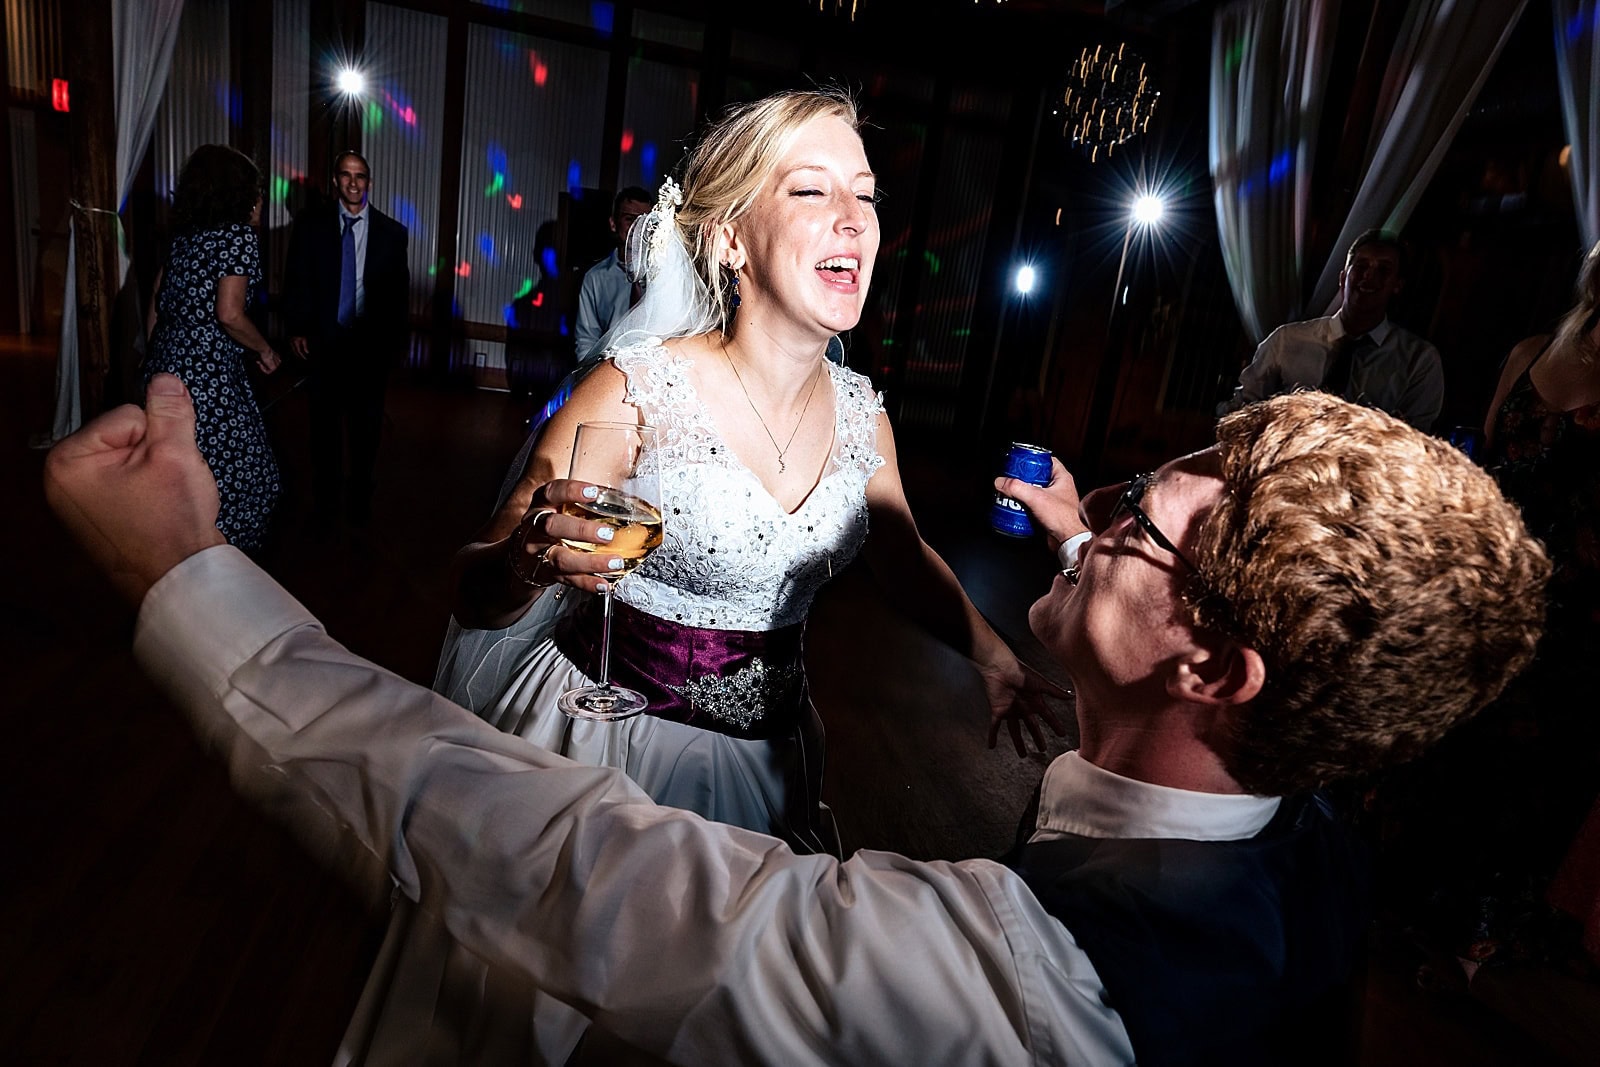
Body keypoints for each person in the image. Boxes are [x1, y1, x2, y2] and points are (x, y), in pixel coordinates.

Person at [45, 376, 1549, 1064]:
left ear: (1218, 674)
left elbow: (579, 870)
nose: (1089, 525)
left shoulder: (1055, 986)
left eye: (1133, 531)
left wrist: (190, 581)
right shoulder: (1310, 818)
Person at [343, 88, 1063, 1063]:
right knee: (550, 1015)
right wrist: (528, 558)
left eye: (867, 191)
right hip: (608, 748)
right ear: (728, 238)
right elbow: (475, 582)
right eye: (812, 189)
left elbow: (900, 555)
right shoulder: (634, 388)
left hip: (769, 767)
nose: (856, 216)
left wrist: (988, 651)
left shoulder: (863, 415)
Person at [1375, 242, 1600, 978]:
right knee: (1443, 742)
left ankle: (1469, 929)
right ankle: (1393, 905)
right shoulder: (1532, 351)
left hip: (1573, 619)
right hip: (1489, 584)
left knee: (1516, 774)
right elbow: (1486, 461)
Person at [144, 144, 283, 551]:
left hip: (165, 368)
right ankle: (219, 565)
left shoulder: (185, 239)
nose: (261, 201)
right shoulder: (237, 238)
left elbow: (157, 303)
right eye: (257, 191)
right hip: (208, 378)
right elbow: (229, 313)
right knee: (253, 480)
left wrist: (152, 364)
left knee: (182, 473)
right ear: (240, 194)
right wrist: (265, 351)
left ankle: (183, 555)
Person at [283, 150, 410, 528]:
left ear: (368, 182)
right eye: (346, 175)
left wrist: (394, 349)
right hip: (325, 344)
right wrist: (298, 327)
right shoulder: (311, 226)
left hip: (368, 350)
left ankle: (359, 504)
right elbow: (298, 279)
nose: (354, 183)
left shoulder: (392, 233)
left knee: (366, 430)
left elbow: (397, 296)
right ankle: (325, 505)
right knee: (323, 429)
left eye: (361, 176)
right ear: (335, 180)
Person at [1220, 229, 1446, 431]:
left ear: (1397, 285)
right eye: (1361, 266)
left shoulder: (1419, 360)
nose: (1369, 276)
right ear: (1343, 278)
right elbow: (1243, 407)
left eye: (1383, 270)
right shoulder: (1287, 340)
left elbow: (1415, 439)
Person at [573, 185, 653, 365]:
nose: (637, 228)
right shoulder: (595, 278)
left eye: (644, 221)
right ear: (613, 223)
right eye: (630, 219)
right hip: (607, 369)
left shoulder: (664, 276)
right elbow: (586, 339)